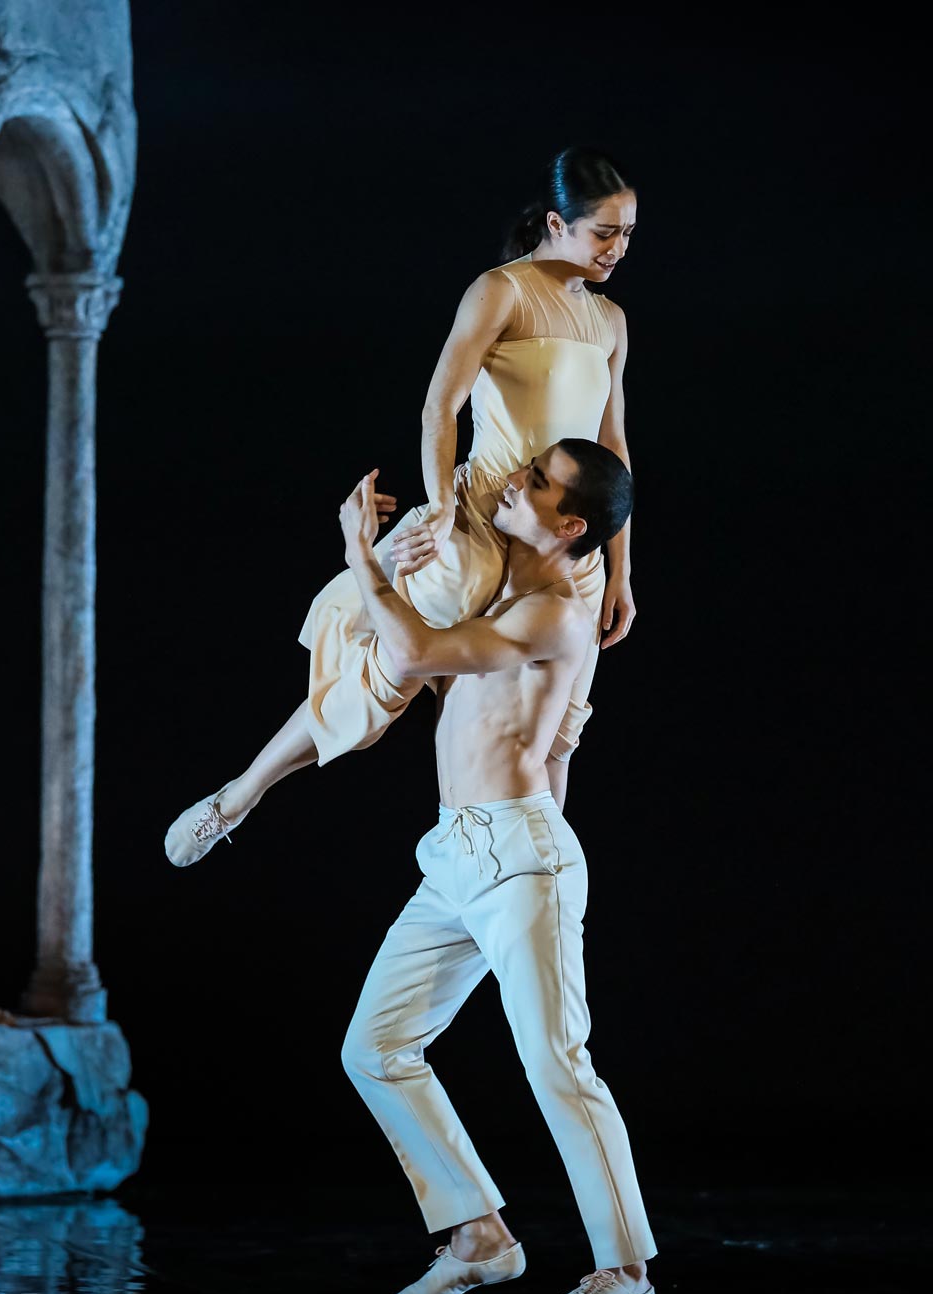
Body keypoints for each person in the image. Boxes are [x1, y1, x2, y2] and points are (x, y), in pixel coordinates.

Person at [166, 147, 640, 868]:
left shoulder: (610, 321)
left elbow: (614, 449)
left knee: (556, 727)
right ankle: (240, 794)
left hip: (567, 541)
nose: (618, 248)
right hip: (488, 514)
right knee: (386, 675)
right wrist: (442, 507)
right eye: (604, 231)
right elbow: (438, 407)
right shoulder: (501, 292)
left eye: (628, 233)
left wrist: (620, 568)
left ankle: (538, 879)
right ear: (556, 223)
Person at [331, 440, 658, 1294]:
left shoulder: (557, 611)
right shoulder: (502, 590)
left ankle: (627, 1272)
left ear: (571, 526)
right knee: (375, 1047)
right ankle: (479, 1235)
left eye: (538, 482)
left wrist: (361, 555)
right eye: (529, 467)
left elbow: (413, 655)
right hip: (455, 853)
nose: (517, 479)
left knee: (556, 1061)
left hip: (518, 854)